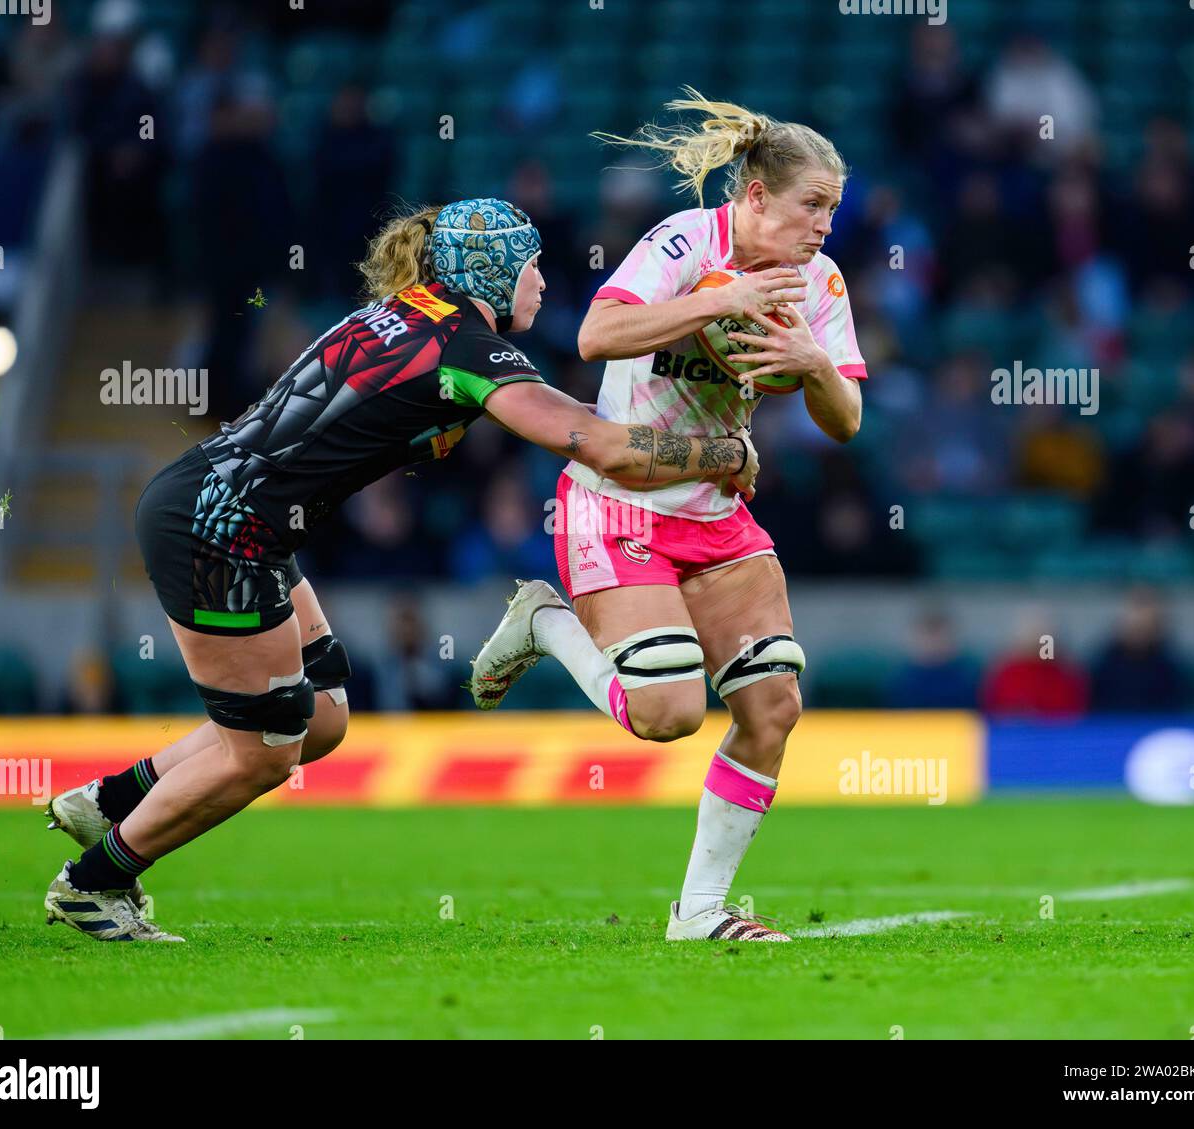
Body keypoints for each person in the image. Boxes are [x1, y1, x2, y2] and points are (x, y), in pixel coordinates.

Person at [42, 197, 759, 942]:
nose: (545, 281)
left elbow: (559, 412)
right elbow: (594, 443)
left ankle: (112, 796)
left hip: (222, 508)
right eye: (534, 264)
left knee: (320, 717)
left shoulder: (412, 310)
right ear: (496, 268)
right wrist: (723, 455)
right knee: (264, 752)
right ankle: (94, 883)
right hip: (222, 531)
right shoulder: (470, 347)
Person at [471, 91, 866, 942]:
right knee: (668, 714)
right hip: (619, 507)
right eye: (813, 205)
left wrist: (811, 364)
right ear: (756, 196)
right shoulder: (684, 243)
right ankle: (546, 620)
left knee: (773, 708)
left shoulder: (820, 284)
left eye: (832, 208)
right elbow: (595, 336)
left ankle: (699, 912)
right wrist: (714, 304)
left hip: (718, 511)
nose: (826, 224)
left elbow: (845, 423)